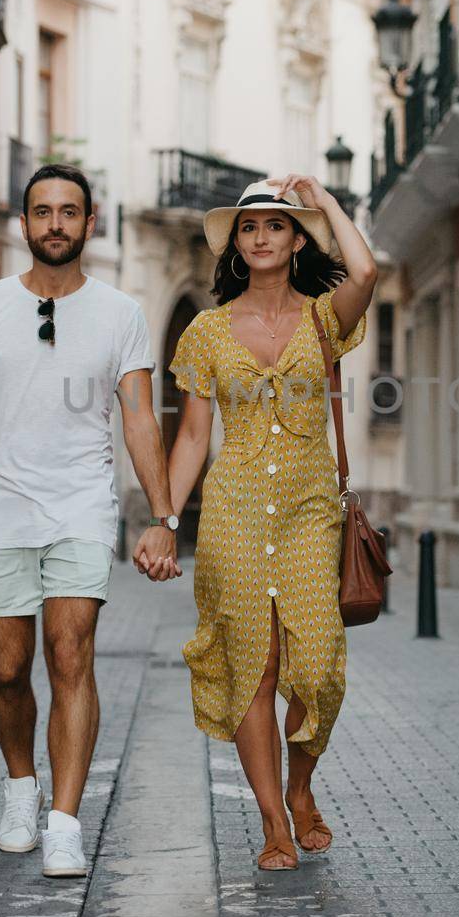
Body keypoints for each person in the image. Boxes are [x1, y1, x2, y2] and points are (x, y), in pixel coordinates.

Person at [0, 164, 181, 879]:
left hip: (81, 507)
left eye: (68, 211)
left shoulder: (122, 313)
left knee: (70, 655)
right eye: (41, 211)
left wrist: (164, 514)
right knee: (5, 668)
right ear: (25, 224)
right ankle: (19, 788)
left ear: (90, 224)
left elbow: (140, 418)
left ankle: (64, 821)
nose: (55, 223)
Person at [160, 173, 378, 871]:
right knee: (255, 666)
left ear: (296, 238)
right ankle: (273, 820)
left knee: (317, 664)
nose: (260, 237)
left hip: (312, 510)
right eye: (249, 228)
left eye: (276, 225)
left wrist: (326, 205)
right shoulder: (206, 331)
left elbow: (366, 269)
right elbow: (193, 438)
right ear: (236, 246)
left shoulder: (324, 320)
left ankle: (301, 785)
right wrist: (165, 518)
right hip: (234, 512)